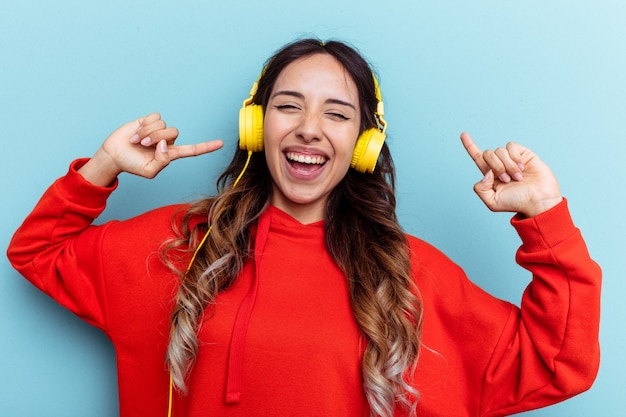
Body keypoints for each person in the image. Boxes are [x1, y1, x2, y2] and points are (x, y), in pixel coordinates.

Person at [7, 38, 601, 417]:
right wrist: (105, 164)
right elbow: (35, 251)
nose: (310, 129)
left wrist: (543, 217)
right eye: (289, 105)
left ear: (365, 145)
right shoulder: (175, 246)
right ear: (255, 126)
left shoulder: (411, 275)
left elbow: (557, 362)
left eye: (338, 114)